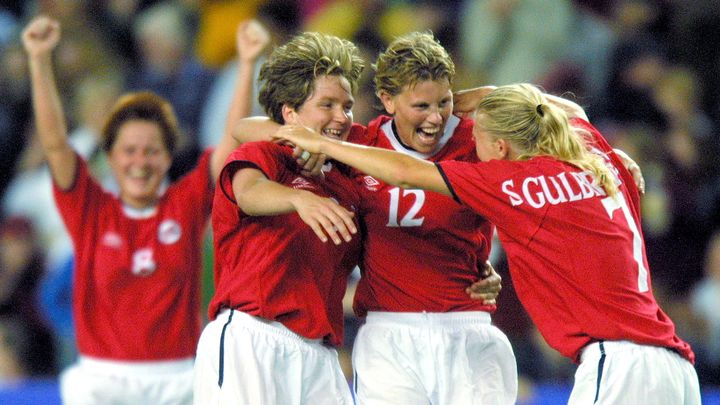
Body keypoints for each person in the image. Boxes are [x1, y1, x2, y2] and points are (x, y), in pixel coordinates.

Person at [272, 82, 702, 405]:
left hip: (619, 366)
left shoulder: (512, 183)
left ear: (500, 146)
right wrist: (479, 97)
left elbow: (403, 172)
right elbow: (558, 107)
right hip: (674, 367)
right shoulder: (598, 155)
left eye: (476, 143)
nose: (469, 148)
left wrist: (322, 143)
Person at [231, 31, 511, 404]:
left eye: (443, 102)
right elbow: (243, 128)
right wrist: (306, 140)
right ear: (387, 101)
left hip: (467, 325)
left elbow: (550, 114)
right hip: (388, 333)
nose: (435, 118)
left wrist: (481, 96)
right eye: (421, 106)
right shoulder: (360, 146)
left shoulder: (478, 140)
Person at [22, 15, 268, 405]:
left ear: (169, 156)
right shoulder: (89, 208)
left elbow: (231, 147)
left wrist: (246, 63)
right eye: (129, 151)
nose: (141, 162)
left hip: (180, 381)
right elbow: (54, 144)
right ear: (111, 158)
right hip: (101, 382)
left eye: (152, 150)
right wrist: (38, 59)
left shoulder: (184, 204)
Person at [193, 31, 365, 405]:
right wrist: (298, 199)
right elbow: (249, 193)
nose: (342, 116)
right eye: (328, 105)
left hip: (320, 355)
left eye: (347, 105)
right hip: (253, 338)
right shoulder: (263, 155)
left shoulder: (346, 178)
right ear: (290, 112)